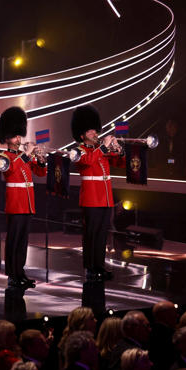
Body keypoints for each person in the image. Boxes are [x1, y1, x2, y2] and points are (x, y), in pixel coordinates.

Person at [71, 105, 124, 282]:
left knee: (102, 234)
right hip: (91, 199)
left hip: (105, 197)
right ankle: (90, 268)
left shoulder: (100, 150)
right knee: (91, 234)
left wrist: (118, 149)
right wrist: (104, 148)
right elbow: (89, 162)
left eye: (95, 130)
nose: (95, 133)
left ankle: (99, 266)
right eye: (90, 131)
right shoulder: (78, 151)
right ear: (82, 135)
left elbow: (120, 163)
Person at [0, 107, 47, 289]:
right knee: (14, 240)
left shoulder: (22, 156)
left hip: (27, 203)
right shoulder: (3, 156)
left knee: (23, 241)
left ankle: (21, 272)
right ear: (6, 138)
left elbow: (41, 172)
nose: (19, 139)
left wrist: (40, 158)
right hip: (15, 203)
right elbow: (10, 170)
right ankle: (12, 274)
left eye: (19, 136)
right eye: (15, 136)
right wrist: (27, 155)